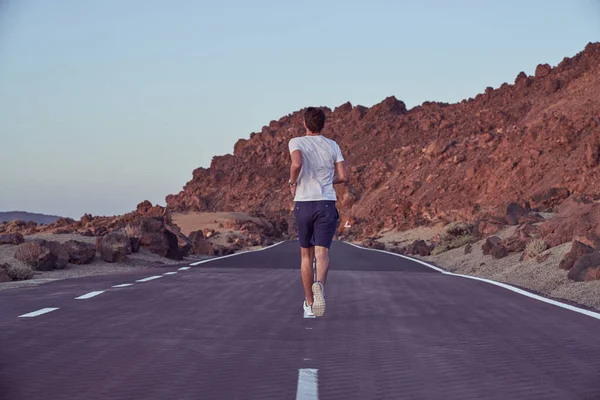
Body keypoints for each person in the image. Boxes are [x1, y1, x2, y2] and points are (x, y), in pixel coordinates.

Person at [288, 107, 348, 317]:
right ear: (323, 124)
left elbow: (296, 163)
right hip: (326, 203)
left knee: (306, 255)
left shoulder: (296, 142)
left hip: (304, 202)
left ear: (305, 124)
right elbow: (343, 176)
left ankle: (309, 303)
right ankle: (319, 285)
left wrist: (292, 182)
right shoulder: (333, 145)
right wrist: (327, 180)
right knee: (322, 254)